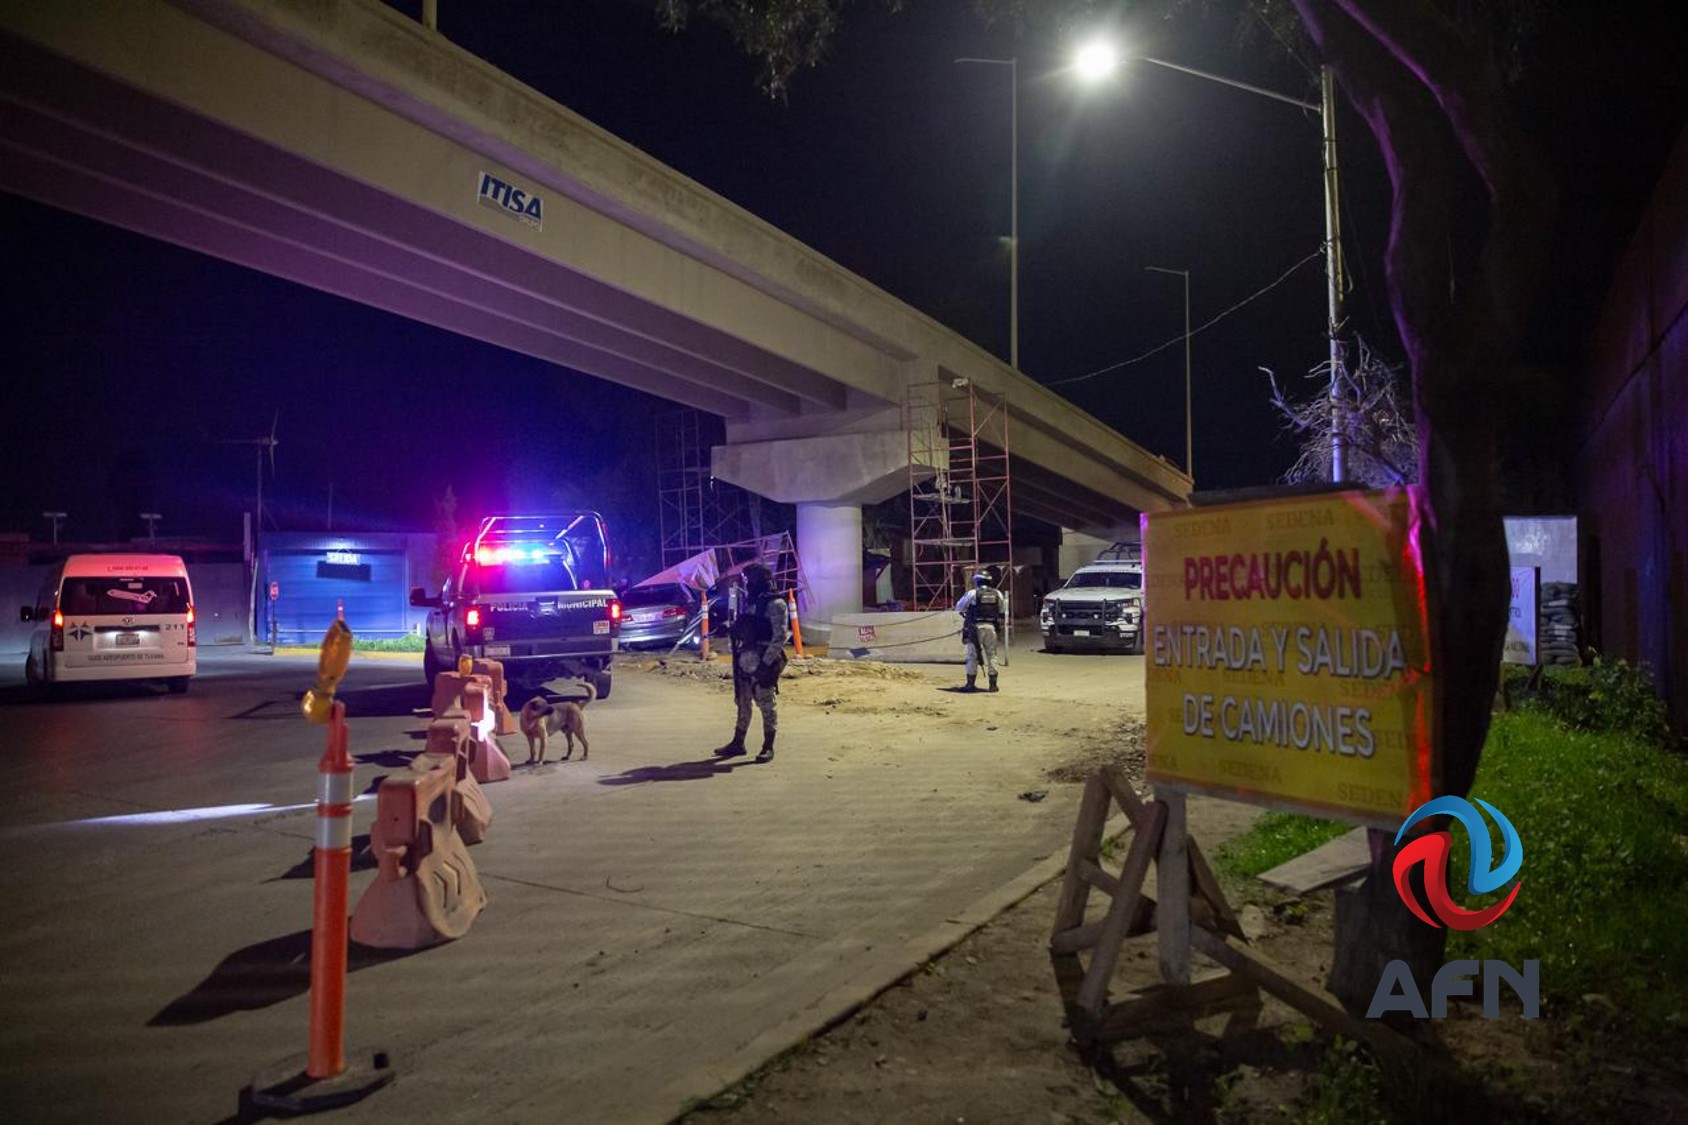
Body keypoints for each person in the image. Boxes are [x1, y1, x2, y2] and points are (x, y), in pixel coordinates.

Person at [715, 562, 788, 762]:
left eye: (750, 580)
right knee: (743, 701)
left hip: (764, 658)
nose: (747, 584)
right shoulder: (752, 602)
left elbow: (780, 636)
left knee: (766, 701)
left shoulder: (776, 604)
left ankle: (768, 746)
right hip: (745, 657)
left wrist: (766, 664)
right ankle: (738, 742)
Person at [955, 569, 1003, 692]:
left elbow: (959, 607)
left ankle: (970, 684)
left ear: (977, 580)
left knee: (972, 656)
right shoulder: (997, 593)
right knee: (992, 655)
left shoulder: (972, 593)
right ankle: (993, 685)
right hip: (991, 627)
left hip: (975, 628)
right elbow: (1002, 610)